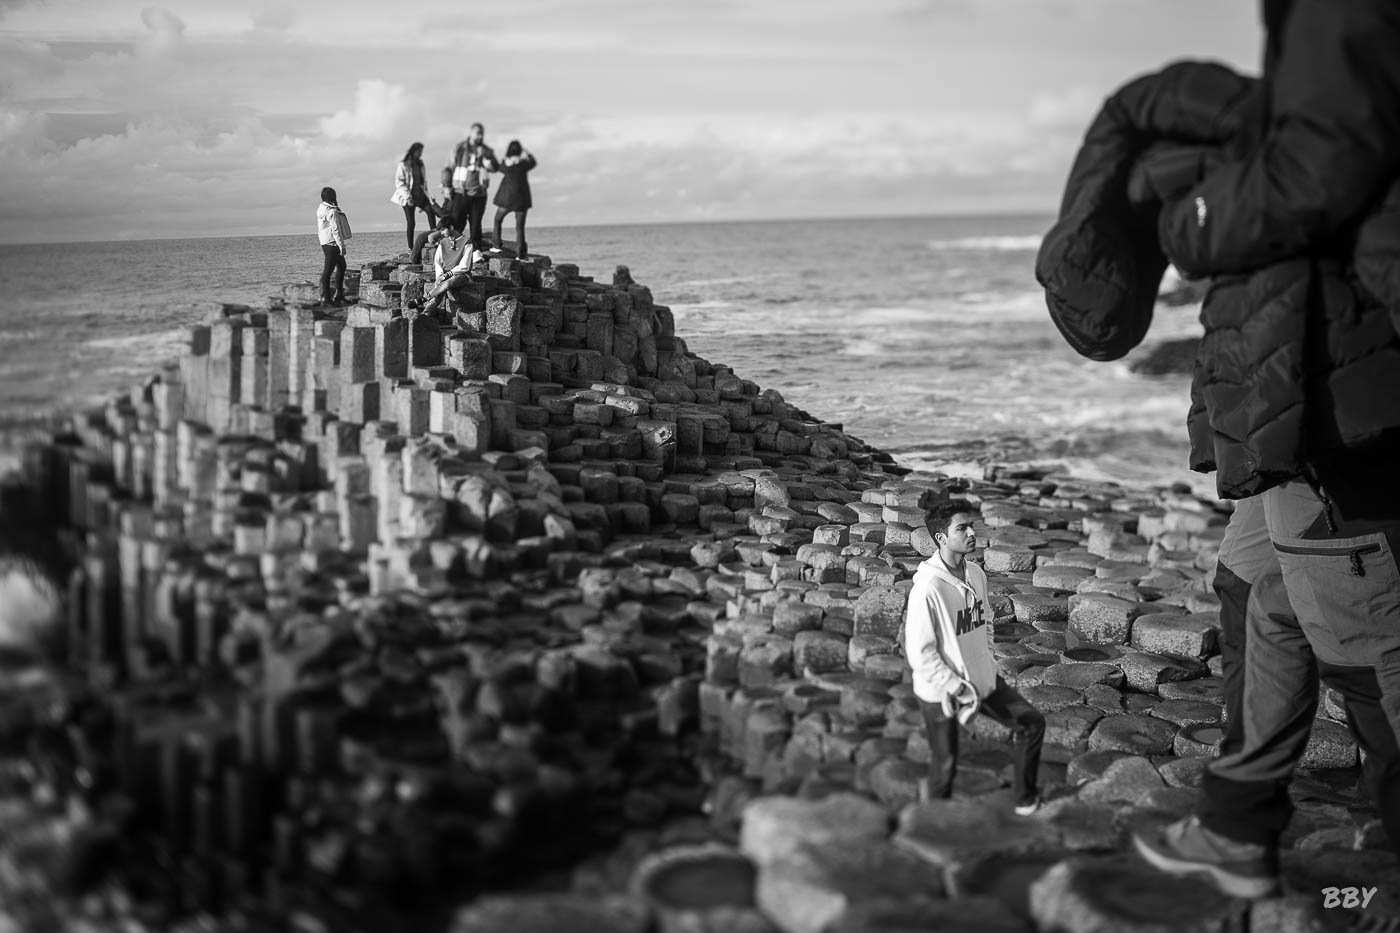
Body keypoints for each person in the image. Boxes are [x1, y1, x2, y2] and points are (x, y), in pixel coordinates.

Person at [1036, 0, 1400, 898]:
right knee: (1253, 585)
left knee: (1363, 646)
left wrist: (1190, 223)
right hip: (1283, 390)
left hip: (1329, 386)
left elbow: (1323, 164)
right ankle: (1239, 824)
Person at [904, 499, 1045, 815]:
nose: (971, 532)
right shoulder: (927, 589)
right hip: (941, 692)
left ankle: (1024, 800)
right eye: (962, 528)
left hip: (982, 677)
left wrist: (987, 658)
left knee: (1031, 724)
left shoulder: (977, 574)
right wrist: (956, 688)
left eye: (972, 526)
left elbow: (987, 620)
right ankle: (930, 826)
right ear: (941, 538)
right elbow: (921, 654)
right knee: (946, 764)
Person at [441, 124, 497, 252]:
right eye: (478, 133)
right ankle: (452, 250)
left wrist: (486, 157)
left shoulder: (486, 150)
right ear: (471, 133)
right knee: (457, 223)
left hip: (479, 194)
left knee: (476, 225)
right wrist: (446, 186)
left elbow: (495, 167)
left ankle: (476, 252)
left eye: (482, 133)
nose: (480, 136)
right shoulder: (460, 148)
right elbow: (447, 168)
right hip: (460, 192)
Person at [491, 140, 536, 258]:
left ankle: (496, 246)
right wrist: (527, 154)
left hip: (506, 200)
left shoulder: (506, 164)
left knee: (497, 220)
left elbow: (498, 167)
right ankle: (520, 254)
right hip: (521, 201)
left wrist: (504, 159)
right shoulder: (523, 164)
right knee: (520, 227)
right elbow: (533, 162)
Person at [423, 225, 482, 314]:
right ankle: (426, 313)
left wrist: (447, 275)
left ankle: (426, 297)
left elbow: (464, 266)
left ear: (451, 227)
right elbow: (437, 262)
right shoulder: (442, 243)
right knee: (441, 287)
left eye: (443, 230)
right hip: (445, 275)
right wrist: (440, 276)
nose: (441, 233)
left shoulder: (467, 242)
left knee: (447, 283)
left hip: (461, 275)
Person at [391, 142, 438, 252]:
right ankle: (410, 248)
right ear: (413, 151)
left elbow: (423, 182)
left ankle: (435, 239)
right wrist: (408, 197)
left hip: (421, 195)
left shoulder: (421, 164)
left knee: (431, 211)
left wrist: (428, 196)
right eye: (419, 152)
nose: (420, 154)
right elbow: (399, 183)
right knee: (411, 222)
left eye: (421, 152)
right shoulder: (403, 164)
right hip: (407, 196)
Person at [315, 186, 348, 307]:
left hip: (325, 242)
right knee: (328, 271)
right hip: (332, 243)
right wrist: (341, 246)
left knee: (342, 265)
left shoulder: (321, 208)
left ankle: (338, 295)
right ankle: (325, 298)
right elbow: (336, 230)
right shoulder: (331, 211)